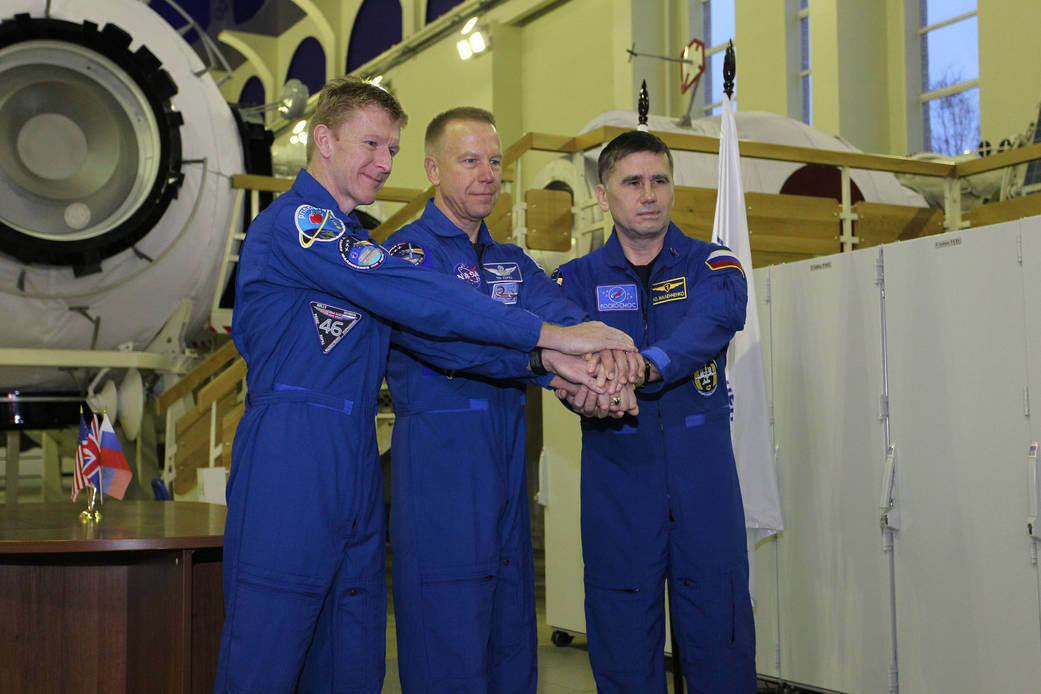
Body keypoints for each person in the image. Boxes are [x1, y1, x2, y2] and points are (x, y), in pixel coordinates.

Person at [214, 78, 634, 694]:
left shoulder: (355, 240)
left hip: (356, 453)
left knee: (352, 653)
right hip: (292, 452)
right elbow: (425, 300)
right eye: (372, 144)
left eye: (392, 148)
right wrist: (551, 338)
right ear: (323, 140)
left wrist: (555, 361)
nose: (385, 163)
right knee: (269, 648)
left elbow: (448, 333)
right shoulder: (300, 227)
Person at [382, 107, 629, 693]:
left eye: (495, 161)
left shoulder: (510, 263)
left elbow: (567, 318)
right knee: (449, 637)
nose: (488, 174)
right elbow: (448, 340)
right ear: (432, 169)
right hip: (441, 472)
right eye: (470, 161)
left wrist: (606, 361)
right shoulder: (408, 257)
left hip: (504, 466)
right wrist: (549, 359)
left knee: (512, 634)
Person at [553, 130, 755, 693]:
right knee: (622, 635)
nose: (649, 194)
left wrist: (645, 365)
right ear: (603, 195)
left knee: (721, 631)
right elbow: (551, 349)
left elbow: (711, 324)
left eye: (660, 180)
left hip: (703, 480)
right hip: (618, 480)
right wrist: (574, 385)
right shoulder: (573, 282)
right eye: (633, 181)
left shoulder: (715, 266)